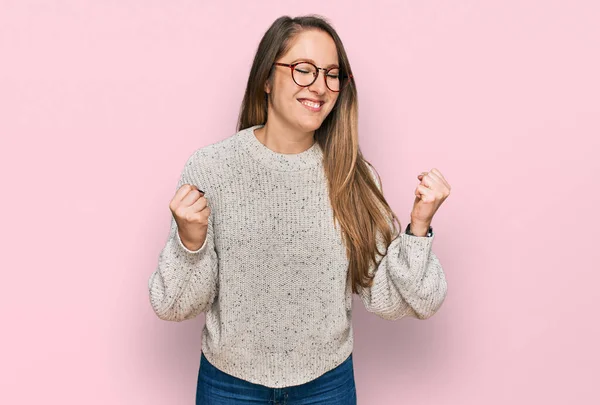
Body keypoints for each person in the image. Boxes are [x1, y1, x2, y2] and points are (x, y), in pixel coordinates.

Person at [148, 14, 450, 405]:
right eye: (303, 70)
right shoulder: (211, 169)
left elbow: (397, 301)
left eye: (331, 74)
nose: (320, 87)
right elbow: (174, 306)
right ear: (267, 80)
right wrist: (191, 244)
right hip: (228, 386)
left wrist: (419, 229)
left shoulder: (353, 177)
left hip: (327, 386)